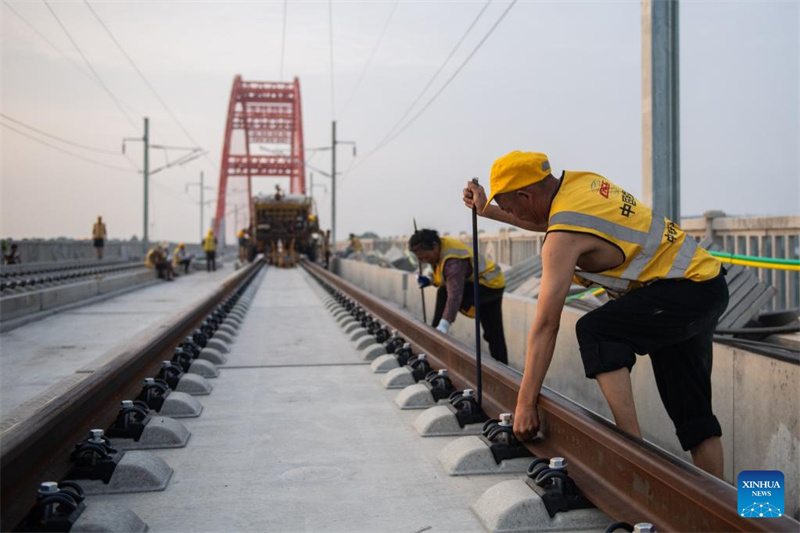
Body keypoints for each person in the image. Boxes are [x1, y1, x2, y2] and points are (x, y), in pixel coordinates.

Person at [464, 150, 728, 477]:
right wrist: (487, 209)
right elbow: (544, 217)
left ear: (525, 195)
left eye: (509, 207)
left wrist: (525, 403)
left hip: (681, 292)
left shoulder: (562, 239)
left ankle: (633, 450)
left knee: (596, 330)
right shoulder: (582, 184)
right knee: (693, 414)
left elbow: (546, 325)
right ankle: (727, 510)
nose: (511, 214)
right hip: (703, 283)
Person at [408, 229, 509, 364]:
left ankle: (501, 368)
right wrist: (429, 280)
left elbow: (454, 295)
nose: (424, 261)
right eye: (420, 259)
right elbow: (444, 275)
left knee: (493, 332)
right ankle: (434, 336)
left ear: (435, 246)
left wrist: (445, 324)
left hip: (489, 285)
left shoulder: (453, 262)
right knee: (492, 333)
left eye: (425, 257)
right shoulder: (441, 247)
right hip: (477, 283)